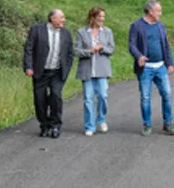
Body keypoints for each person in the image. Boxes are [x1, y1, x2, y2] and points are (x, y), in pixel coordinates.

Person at [128, 0, 174, 136]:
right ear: (150, 11)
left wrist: (170, 63)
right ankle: (147, 124)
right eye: (158, 10)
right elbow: (131, 45)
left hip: (161, 66)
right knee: (145, 97)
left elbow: (166, 45)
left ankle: (168, 123)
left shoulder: (160, 26)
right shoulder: (137, 26)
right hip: (146, 68)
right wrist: (139, 56)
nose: (160, 13)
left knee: (167, 94)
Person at [23, 9, 74, 139]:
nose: (64, 20)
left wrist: (66, 69)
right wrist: (28, 66)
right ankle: (44, 125)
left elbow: (69, 53)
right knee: (40, 100)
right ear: (52, 18)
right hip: (40, 71)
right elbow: (28, 48)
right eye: (61, 17)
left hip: (57, 72)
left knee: (56, 96)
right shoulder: (37, 29)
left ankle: (56, 125)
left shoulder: (66, 33)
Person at [76, 7, 115, 136]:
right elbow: (76, 50)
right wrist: (89, 51)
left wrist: (102, 47)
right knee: (88, 98)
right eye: (99, 17)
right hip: (87, 70)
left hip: (102, 70)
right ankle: (89, 126)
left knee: (103, 96)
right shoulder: (82, 32)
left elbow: (111, 49)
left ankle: (101, 119)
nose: (102, 20)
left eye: (103, 17)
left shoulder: (107, 32)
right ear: (92, 18)